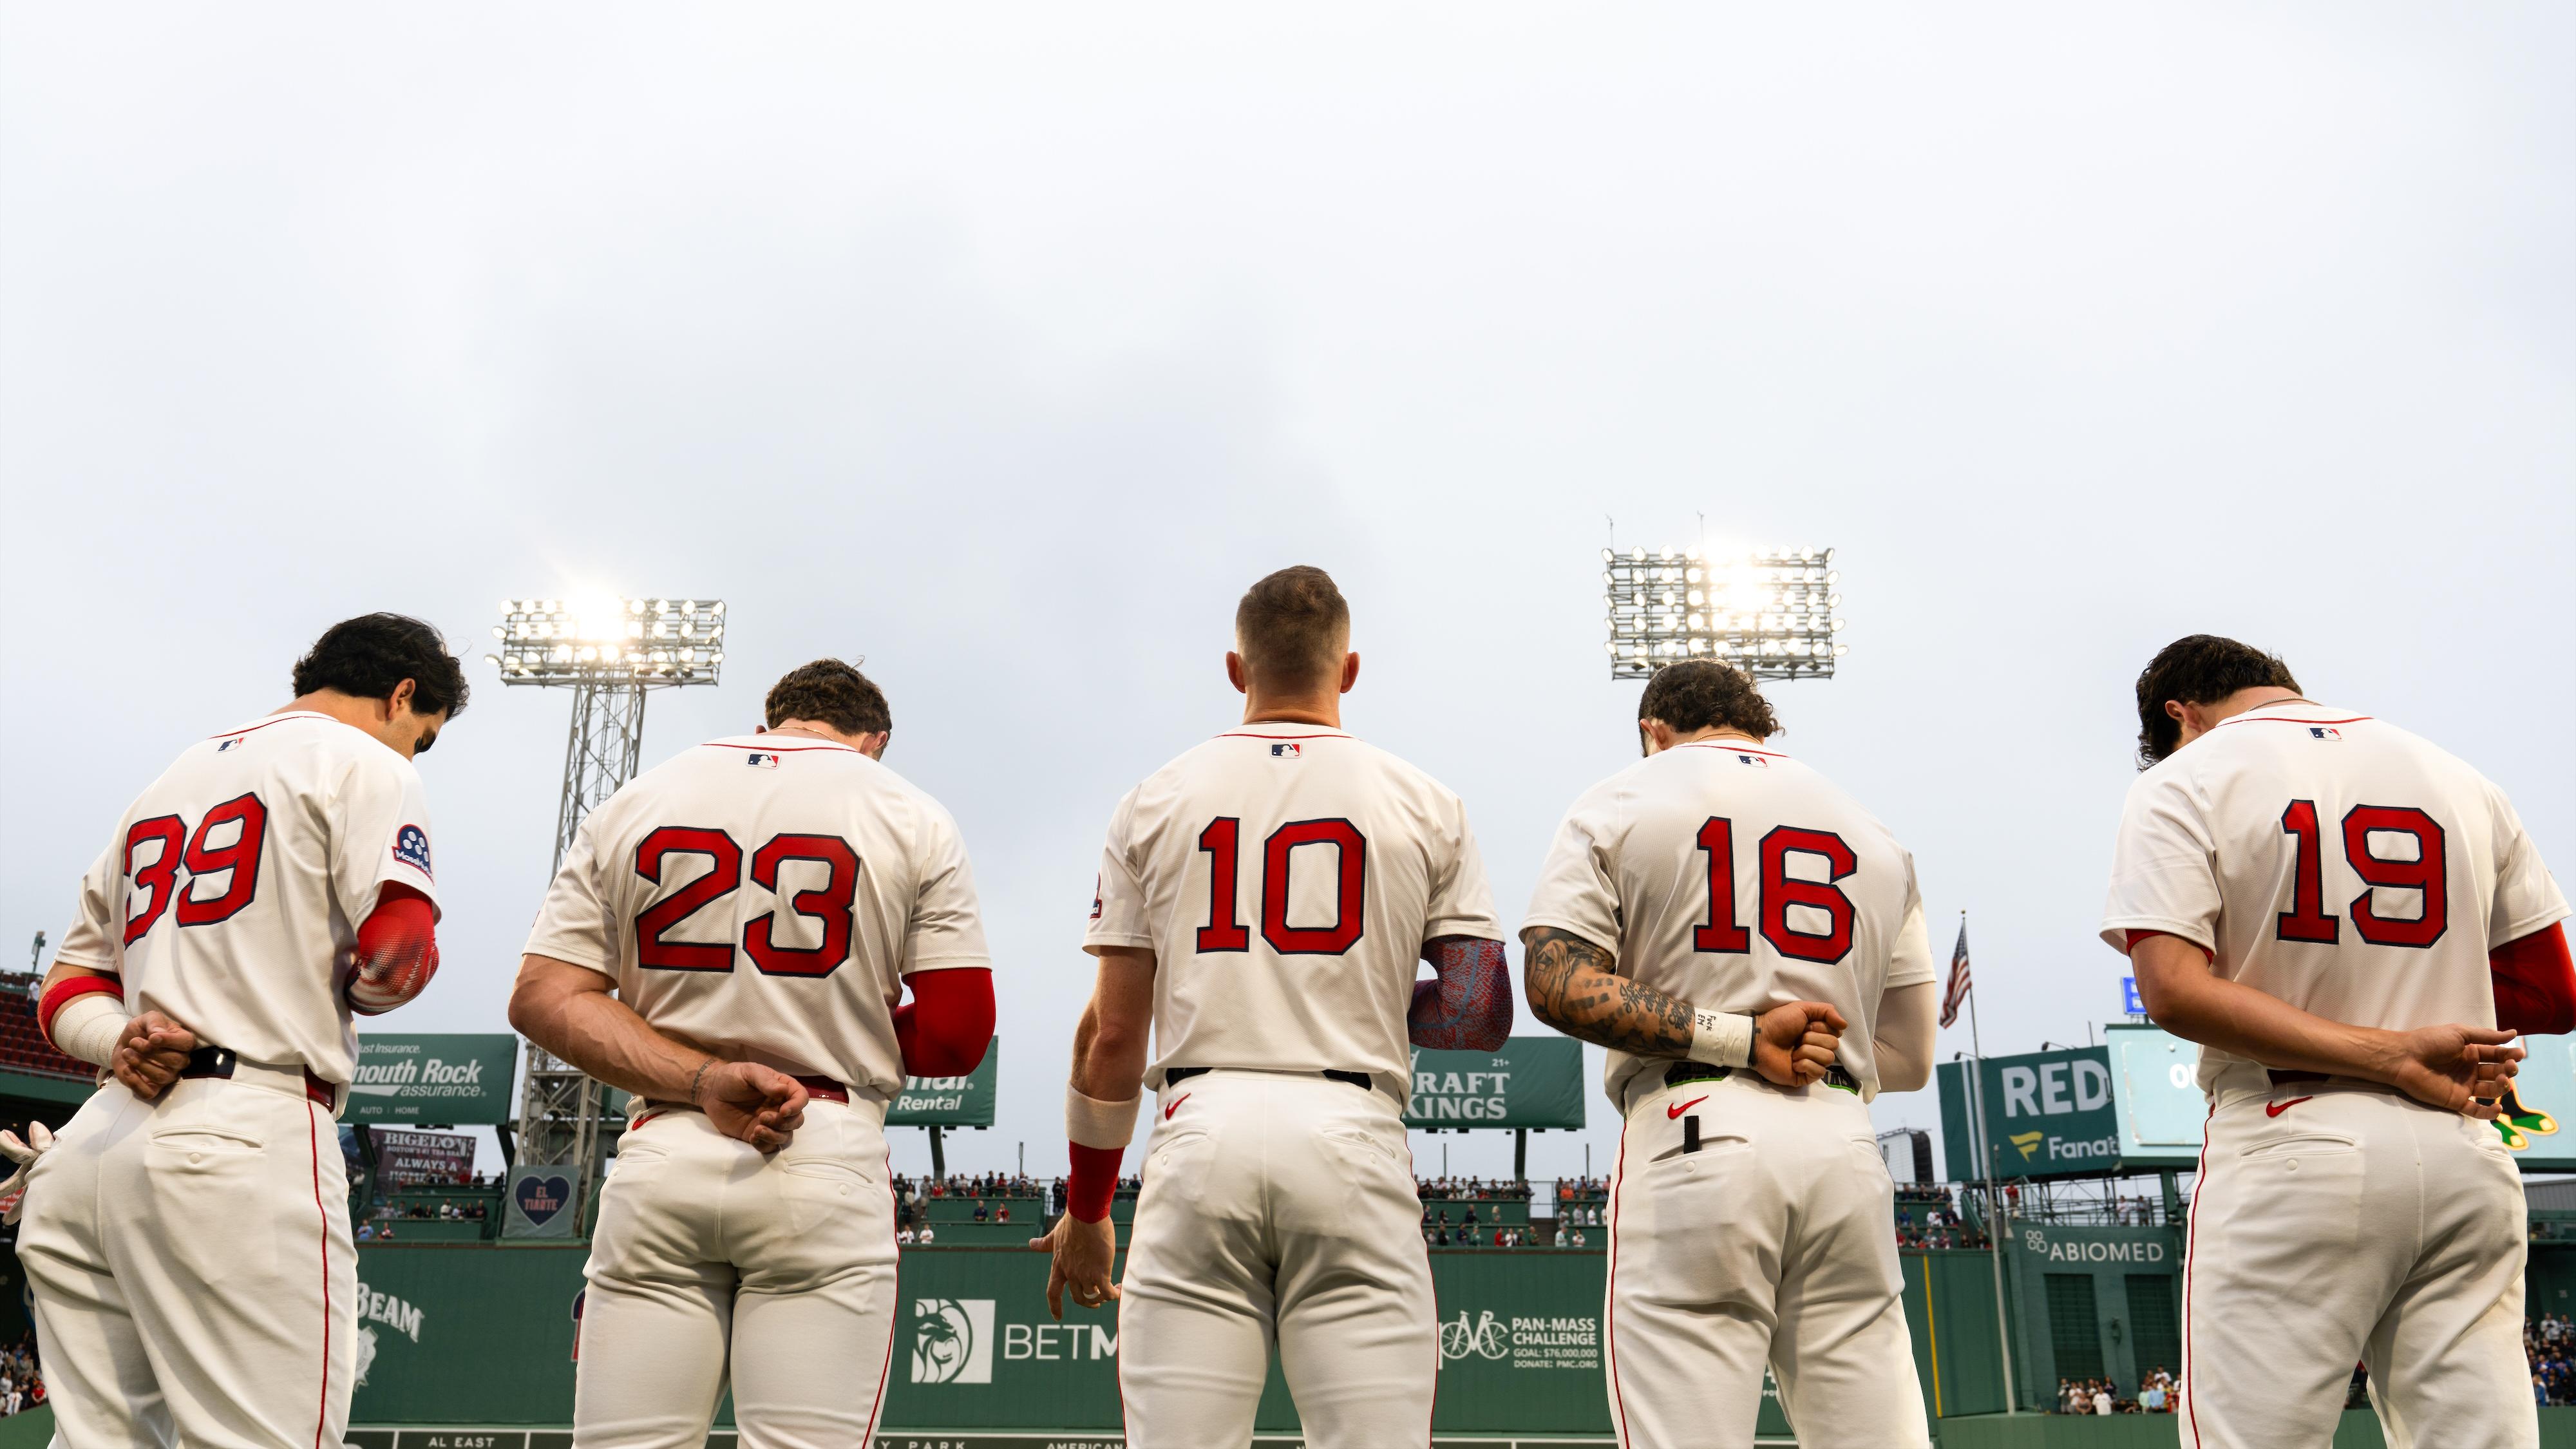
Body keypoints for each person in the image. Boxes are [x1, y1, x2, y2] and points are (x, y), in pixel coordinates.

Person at [1033, 566, 1512, 1448]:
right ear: (1351, 668)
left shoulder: (1155, 795)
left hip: (1200, 1123)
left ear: (1235, 667)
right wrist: (1354, 990)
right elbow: (1477, 1013)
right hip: (1351, 1122)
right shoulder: (1427, 799)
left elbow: (1111, 1035)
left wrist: (1092, 1208)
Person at [511, 658, 995, 1448]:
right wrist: (843, 1035)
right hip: (820, 1138)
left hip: (665, 1142)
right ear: (876, 740)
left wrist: (702, 1078)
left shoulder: (640, 798)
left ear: (767, 721)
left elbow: (543, 997)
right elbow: (955, 1034)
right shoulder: (909, 811)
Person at [2103, 635, 2571, 1449]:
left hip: (2292, 1134)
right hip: (2464, 1148)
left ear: (2182, 714)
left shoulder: (2188, 776)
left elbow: (2173, 990)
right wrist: (2430, 1003)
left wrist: (2387, 1050)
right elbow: (2551, 996)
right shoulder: (2458, 776)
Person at [11, 615, 463, 1449]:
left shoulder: (167, 779)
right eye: (423, 734)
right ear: (402, 694)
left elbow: (69, 986)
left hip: (93, 1151)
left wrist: (120, 1039)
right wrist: (351, 985)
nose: (415, 752)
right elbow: (400, 951)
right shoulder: (366, 762)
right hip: (245, 1135)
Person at [1520, 658, 1938, 1449]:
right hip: (1843, 1139)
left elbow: (1556, 983)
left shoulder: (1621, 797)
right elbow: (1911, 1056)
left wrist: (1743, 1038)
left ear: (1654, 730)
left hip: (1696, 1125)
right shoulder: (1874, 832)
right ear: (1759, 722)